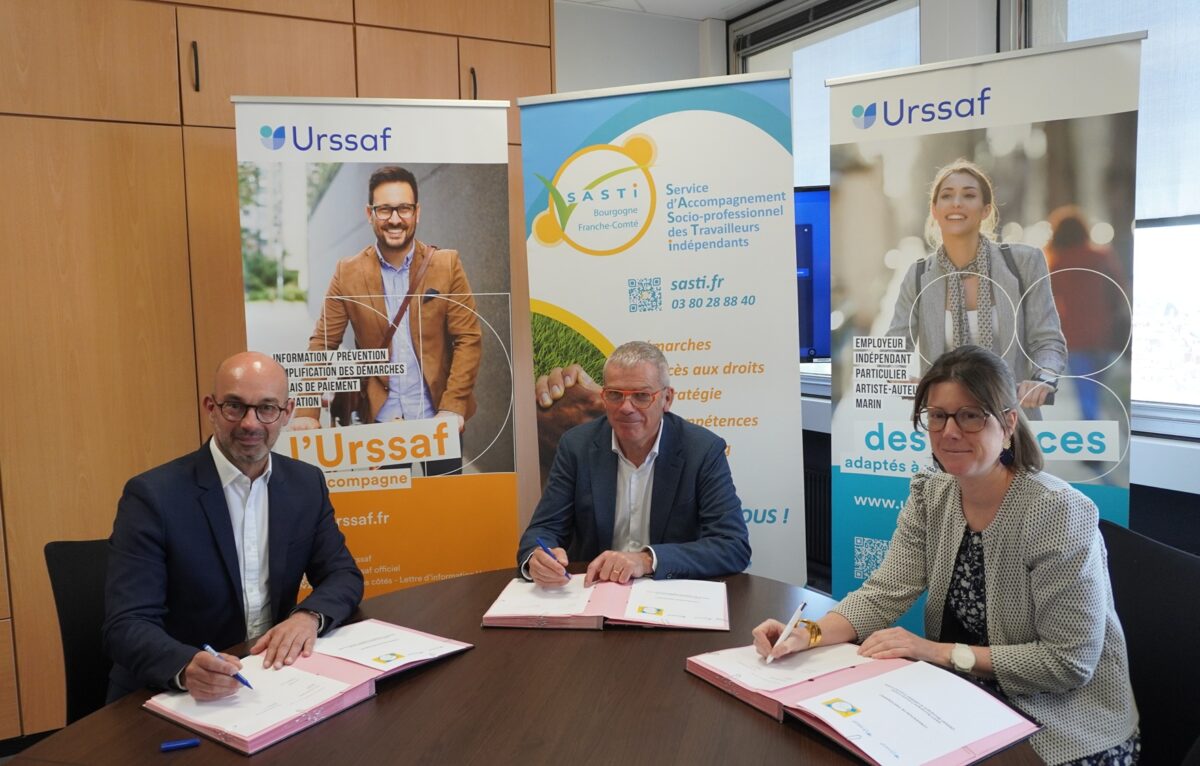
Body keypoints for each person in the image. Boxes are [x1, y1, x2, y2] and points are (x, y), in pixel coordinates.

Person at [753, 346, 1138, 766]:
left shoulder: (1057, 512)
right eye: (938, 416)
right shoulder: (931, 495)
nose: (949, 431)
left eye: (970, 415)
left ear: (1008, 422)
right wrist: (806, 634)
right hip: (965, 701)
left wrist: (936, 652)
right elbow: (884, 592)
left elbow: (1067, 663)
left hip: (1063, 723)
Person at [104, 352, 364, 702]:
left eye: (267, 408)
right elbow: (126, 623)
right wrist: (185, 666)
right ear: (211, 408)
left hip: (268, 681)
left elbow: (342, 574)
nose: (250, 423)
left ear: (287, 413)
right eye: (235, 407)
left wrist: (308, 616)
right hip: (172, 693)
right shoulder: (153, 496)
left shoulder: (306, 484)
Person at [291, 165, 482, 476]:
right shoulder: (347, 272)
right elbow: (323, 343)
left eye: (404, 208)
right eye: (384, 209)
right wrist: (307, 410)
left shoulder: (446, 265)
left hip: (439, 416)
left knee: (446, 512)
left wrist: (452, 406)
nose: (395, 219)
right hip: (382, 421)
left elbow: (468, 339)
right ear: (370, 214)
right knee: (392, 516)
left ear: (417, 212)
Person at [518, 341, 751, 586]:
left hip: (668, 596)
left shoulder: (702, 450)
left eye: (641, 396)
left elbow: (732, 545)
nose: (626, 408)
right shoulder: (577, 445)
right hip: (593, 592)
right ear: (603, 397)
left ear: (667, 399)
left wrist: (647, 560)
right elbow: (542, 530)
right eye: (615, 395)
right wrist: (537, 557)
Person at [887, 159, 1067, 411]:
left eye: (969, 195)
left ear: (985, 210)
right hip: (946, 424)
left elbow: (1047, 340)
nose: (957, 202)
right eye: (947, 196)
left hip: (1011, 421)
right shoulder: (918, 275)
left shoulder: (1024, 262)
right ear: (935, 210)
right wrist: (904, 383)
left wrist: (1042, 379)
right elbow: (891, 350)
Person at [1046, 204, 1131, 421]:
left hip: (1074, 339)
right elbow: (1120, 291)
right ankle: (1098, 437)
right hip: (1104, 335)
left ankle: (1093, 442)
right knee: (1100, 391)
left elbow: (1048, 302)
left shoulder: (1057, 263)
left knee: (1087, 393)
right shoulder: (1102, 256)